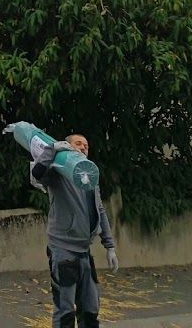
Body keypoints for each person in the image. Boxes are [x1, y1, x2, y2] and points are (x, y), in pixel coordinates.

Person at [31, 133, 118, 328]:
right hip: (63, 250)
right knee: (65, 311)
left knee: (90, 308)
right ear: (68, 147)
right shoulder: (57, 174)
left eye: (86, 145)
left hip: (84, 251)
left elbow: (100, 210)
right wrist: (53, 149)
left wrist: (109, 246)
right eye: (78, 144)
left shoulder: (89, 177)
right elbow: (37, 173)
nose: (83, 147)